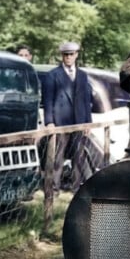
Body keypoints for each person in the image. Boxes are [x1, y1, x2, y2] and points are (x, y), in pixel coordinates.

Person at [41, 41, 97, 192]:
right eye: (66, 55)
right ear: (62, 56)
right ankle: (53, 187)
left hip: (79, 122)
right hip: (60, 123)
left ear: (76, 55)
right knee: (58, 156)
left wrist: (88, 123)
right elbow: (48, 100)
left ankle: (76, 186)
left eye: (71, 54)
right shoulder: (53, 75)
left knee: (78, 156)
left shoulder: (83, 76)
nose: (68, 58)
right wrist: (49, 122)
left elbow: (86, 101)